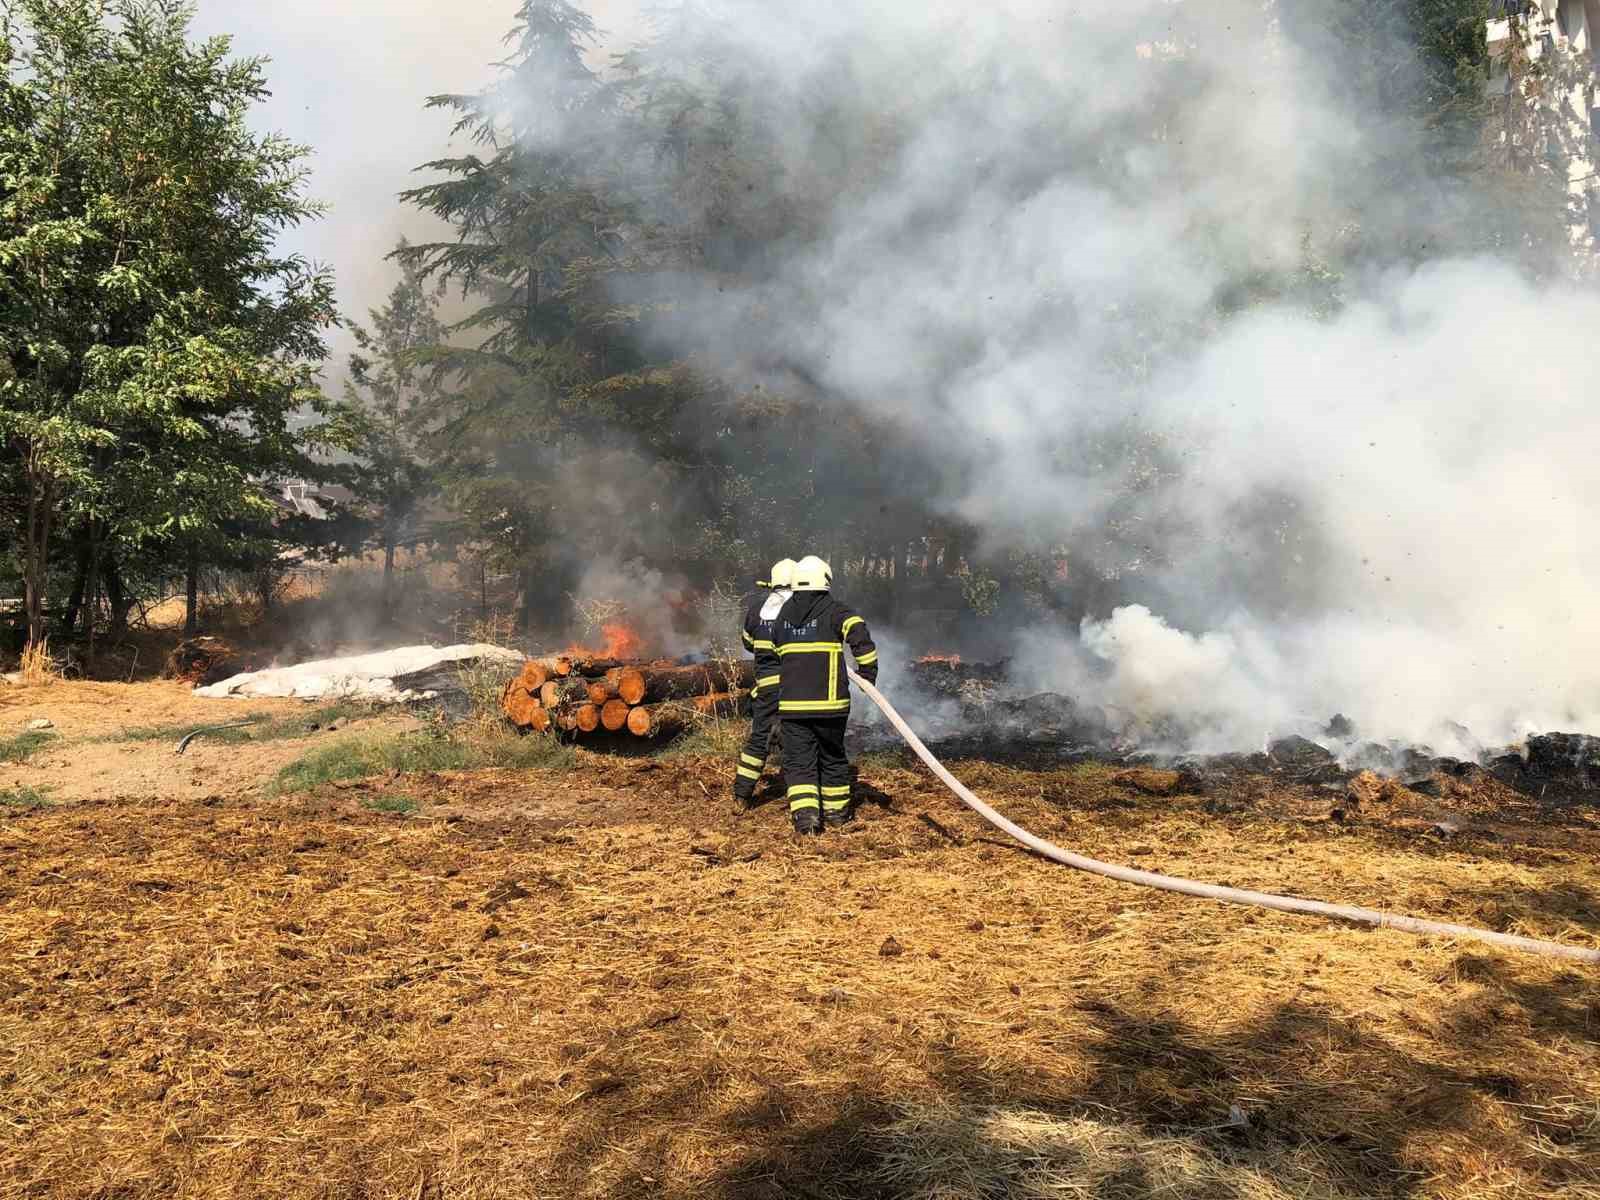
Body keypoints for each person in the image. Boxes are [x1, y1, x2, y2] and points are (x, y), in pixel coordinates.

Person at [772, 555, 878, 834]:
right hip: (831, 705)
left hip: (793, 706)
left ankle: (807, 821)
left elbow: (775, 646)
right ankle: (836, 814)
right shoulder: (834, 610)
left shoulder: (783, 616)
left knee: (799, 762)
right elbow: (860, 634)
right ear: (826, 580)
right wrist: (868, 674)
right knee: (832, 757)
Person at [734, 558, 796, 808]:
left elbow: (748, 642)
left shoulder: (758, 607)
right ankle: (802, 799)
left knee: (758, 739)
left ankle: (741, 794)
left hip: (766, 689)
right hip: (794, 686)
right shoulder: (800, 607)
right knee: (798, 740)